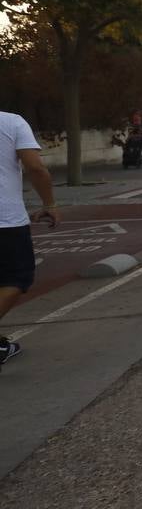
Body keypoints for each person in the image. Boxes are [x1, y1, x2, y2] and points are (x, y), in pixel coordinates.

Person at [0, 111, 58, 367]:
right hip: (5, 219)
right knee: (17, 277)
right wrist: (50, 203)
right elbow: (35, 167)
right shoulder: (11, 122)